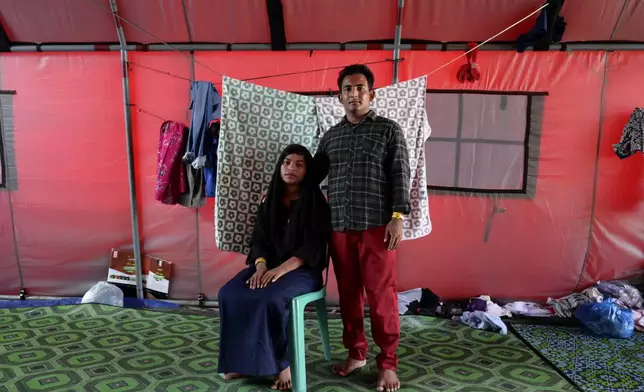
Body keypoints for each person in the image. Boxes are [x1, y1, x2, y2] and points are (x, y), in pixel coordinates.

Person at [315, 64, 410, 392]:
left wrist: (398, 218)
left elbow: (401, 176)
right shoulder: (330, 137)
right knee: (348, 296)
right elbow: (313, 179)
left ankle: (387, 363)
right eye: (347, 89)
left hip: (377, 229)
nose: (353, 94)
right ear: (339, 95)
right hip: (339, 228)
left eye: (359, 88)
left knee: (381, 296)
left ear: (371, 93)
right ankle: (356, 354)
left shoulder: (388, 131)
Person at [217, 144, 331, 391]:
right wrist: (260, 268)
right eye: (287, 162)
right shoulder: (269, 200)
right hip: (267, 268)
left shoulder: (315, 202)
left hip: (302, 272)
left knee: (269, 298)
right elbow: (259, 241)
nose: (291, 168)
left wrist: (279, 271)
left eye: (299, 164)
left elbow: (311, 247)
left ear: (307, 170)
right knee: (230, 294)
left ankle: (282, 364)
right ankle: (241, 363)